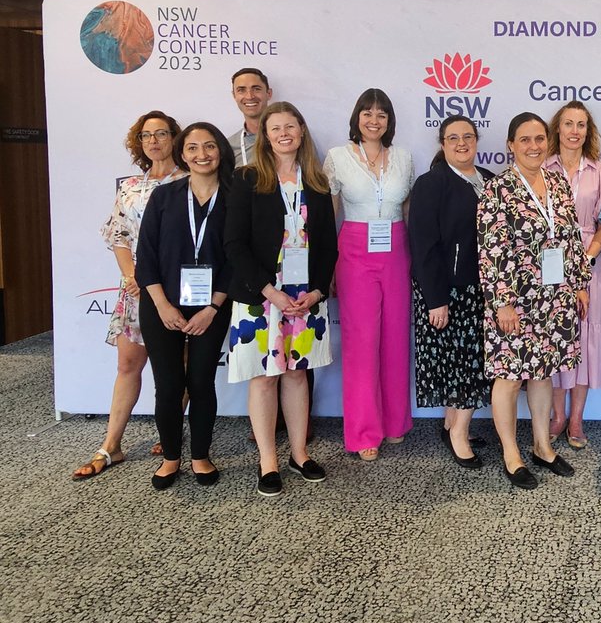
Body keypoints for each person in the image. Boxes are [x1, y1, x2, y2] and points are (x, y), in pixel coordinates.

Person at [225, 101, 337, 497]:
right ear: (265, 135)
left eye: (291, 125)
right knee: (264, 378)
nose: (284, 133)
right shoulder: (247, 178)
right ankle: (268, 460)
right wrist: (268, 290)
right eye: (276, 128)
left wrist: (319, 290)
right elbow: (233, 244)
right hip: (261, 295)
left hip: (305, 296)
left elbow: (327, 246)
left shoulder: (318, 182)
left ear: (302, 131)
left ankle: (300, 454)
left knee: (296, 374)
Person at [478, 112, 590, 490]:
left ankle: (542, 446)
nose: (533, 146)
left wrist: (580, 283)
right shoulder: (497, 189)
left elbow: (572, 238)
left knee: (543, 373)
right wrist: (502, 302)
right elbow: (491, 249)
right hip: (515, 301)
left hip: (555, 296)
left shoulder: (556, 180)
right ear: (510, 145)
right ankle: (511, 453)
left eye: (540, 139)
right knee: (509, 378)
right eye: (524, 139)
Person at [73, 111, 182, 480]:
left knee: (177, 366)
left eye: (161, 134)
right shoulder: (131, 186)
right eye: (146, 135)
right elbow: (117, 234)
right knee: (128, 365)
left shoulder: (191, 181)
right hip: (135, 288)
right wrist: (132, 276)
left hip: (179, 287)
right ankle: (111, 445)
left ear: (174, 139)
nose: (153, 141)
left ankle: (171, 432)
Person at [135, 123, 235, 489]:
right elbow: (145, 257)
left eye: (209, 146)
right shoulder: (164, 197)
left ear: (221, 151)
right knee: (169, 382)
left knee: (201, 381)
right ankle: (171, 458)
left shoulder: (235, 197)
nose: (201, 154)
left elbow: (236, 258)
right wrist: (161, 304)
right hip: (162, 305)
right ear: (182, 153)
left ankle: (200, 456)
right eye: (192, 148)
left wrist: (212, 307)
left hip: (213, 304)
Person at [324, 89, 415, 461]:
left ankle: (396, 424)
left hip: (396, 248)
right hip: (355, 250)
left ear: (390, 121)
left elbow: (408, 210)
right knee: (361, 344)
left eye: (381, 114)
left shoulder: (405, 157)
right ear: (356, 117)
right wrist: (327, 264)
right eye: (367, 113)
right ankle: (364, 431)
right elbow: (330, 214)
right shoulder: (337, 157)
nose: (374, 120)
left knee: (395, 338)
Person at [408, 116, 495, 468]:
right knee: (464, 366)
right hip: (448, 291)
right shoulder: (432, 183)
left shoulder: (488, 180)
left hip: (482, 290)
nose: (462, 143)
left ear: (477, 140)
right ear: (442, 143)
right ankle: (459, 434)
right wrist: (436, 299)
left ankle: (451, 425)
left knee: (468, 364)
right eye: (453, 138)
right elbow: (423, 244)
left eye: (468, 137)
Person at [545, 101, 601, 449]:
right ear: (557, 128)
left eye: (581, 125)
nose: (574, 131)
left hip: (591, 260)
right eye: (568, 124)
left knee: (586, 341)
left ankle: (576, 419)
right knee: (556, 339)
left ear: (588, 132)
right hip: (550, 261)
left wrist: (585, 262)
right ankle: (556, 415)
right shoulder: (542, 168)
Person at [227, 67, 272, 167]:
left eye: (256, 89)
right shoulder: (229, 147)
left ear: (269, 94)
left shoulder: (288, 137)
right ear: (234, 96)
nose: (249, 96)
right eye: (241, 90)